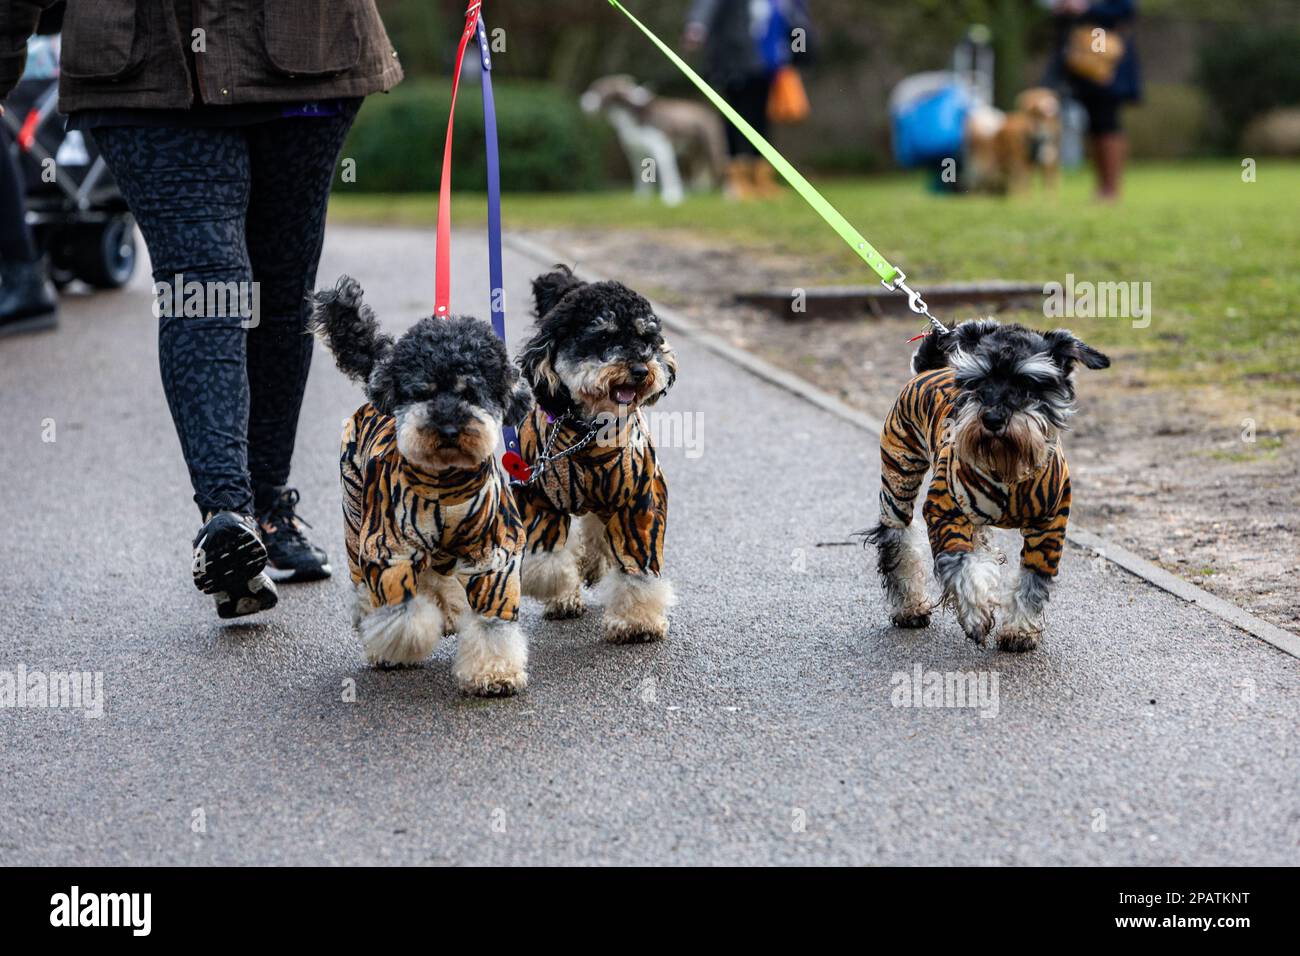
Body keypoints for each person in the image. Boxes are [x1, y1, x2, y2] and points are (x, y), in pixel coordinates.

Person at [0, 1, 403, 618]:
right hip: (148, 74)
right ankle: (228, 517)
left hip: (304, 55)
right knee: (205, 286)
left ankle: (259, 509)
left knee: (277, 286)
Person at [684, 0, 809, 199]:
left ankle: (762, 178)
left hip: (769, 64)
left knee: (761, 120)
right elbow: (707, 5)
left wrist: (798, 50)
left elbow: (795, 19)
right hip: (734, 63)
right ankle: (736, 180)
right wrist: (697, 27)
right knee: (736, 118)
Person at [1048, 0, 1141, 200]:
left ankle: (1111, 188)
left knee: (1108, 122)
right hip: (1083, 58)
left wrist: (1085, 8)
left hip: (1105, 54)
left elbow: (1126, 8)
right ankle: (1102, 186)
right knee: (1094, 124)